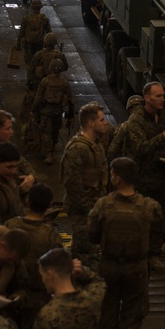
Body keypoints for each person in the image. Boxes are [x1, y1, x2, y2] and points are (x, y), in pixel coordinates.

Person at [88, 157, 163, 329]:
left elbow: (92, 235)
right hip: (136, 269)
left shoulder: (103, 205)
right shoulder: (150, 206)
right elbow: (157, 238)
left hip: (108, 266)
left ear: (117, 177)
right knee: (131, 317)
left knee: (107, 314)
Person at [126, 82, 165, 273]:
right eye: (157, 96)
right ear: (147, 98)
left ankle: (154, 256)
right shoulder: (136, 120)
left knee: (158, 217)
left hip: (161, 177)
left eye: (163, 96)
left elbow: (164, 146)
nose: (162, 99)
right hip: (143, 178)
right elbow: (140, 148)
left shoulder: (163, 117)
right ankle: (138, 257)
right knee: (141, 218)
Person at [5, 183, 63, 329]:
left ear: (27, 201)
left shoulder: (10, 225)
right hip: (38, 296)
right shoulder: (51, 235)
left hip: (10, 292)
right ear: (49, 204)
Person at [60, 102, 110, 265]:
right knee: (84, 251)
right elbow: (72, 182)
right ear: (90, 122)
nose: (106, 123)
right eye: (102, 120)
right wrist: (87, 210)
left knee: (92, 248)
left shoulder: (96, 145)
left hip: (95, 205)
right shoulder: (78, 148)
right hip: (84, 209)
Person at [0, 108, 37, 194]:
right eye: (8, 128)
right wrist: (28, 182)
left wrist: (31, 177)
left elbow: (22, 162)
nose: (12, 132)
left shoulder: (3, 147)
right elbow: (12, 189)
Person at [32, 59, 73, 164]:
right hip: (58, 111)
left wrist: (34, 109)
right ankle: (53, 146)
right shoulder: (64, 82)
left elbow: (38, 98)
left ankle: (49, 153)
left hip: (46, 111)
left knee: (47, 131)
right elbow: (70, 98)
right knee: (55, 130)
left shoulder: (45, 81)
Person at [106, 95, 144, 164]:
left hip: (128, 165)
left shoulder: (125, 126)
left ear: (130, 109)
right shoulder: (150, 124)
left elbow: (113, 150)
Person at [17, 0, 51, 64]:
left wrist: (18, 44)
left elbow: (21, 32)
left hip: (29, 44)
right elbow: (49, 33)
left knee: (29, 62)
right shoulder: (44, 19)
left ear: (32, 7)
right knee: (39, 61)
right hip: (39, 43)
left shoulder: (27, 18)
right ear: (40, 7)